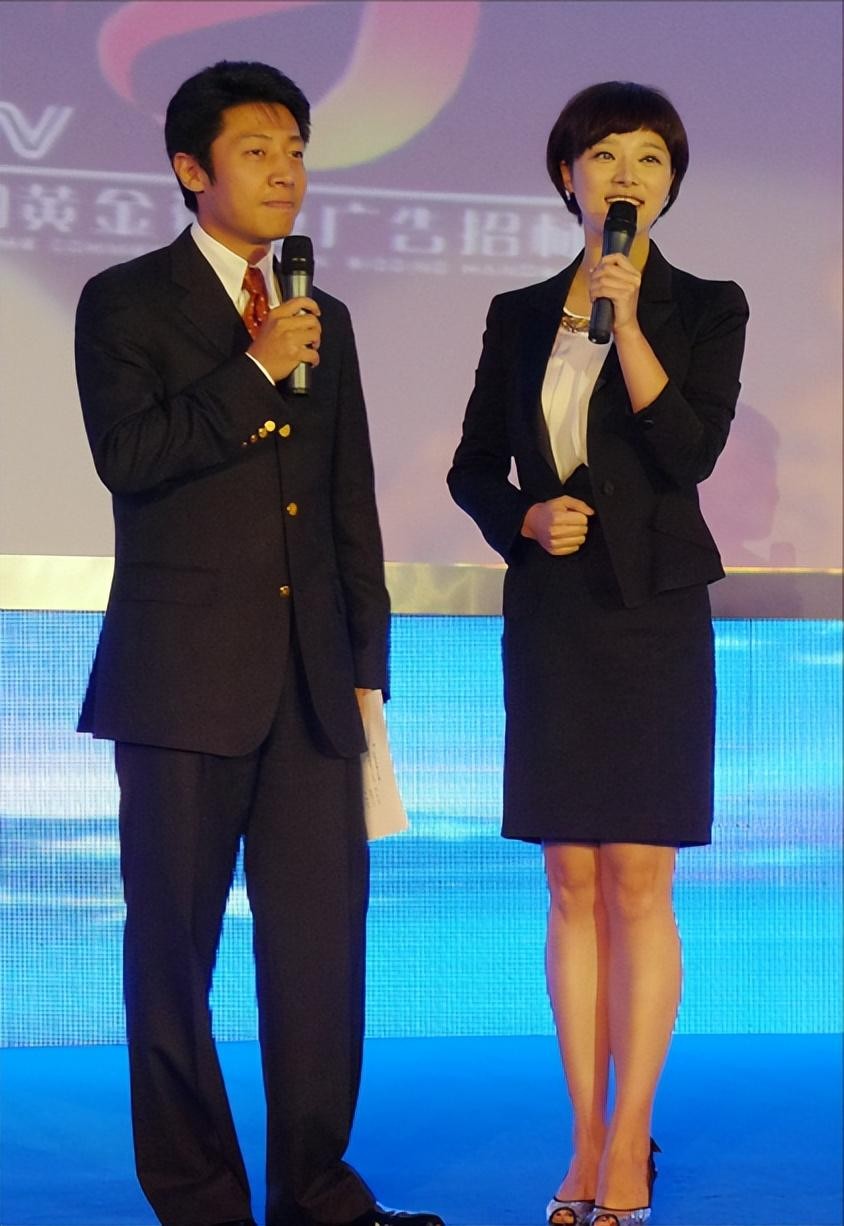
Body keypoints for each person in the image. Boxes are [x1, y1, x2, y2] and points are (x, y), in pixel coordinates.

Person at [75, 60, 443, 1226]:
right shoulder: (125, 301)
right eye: (256, 150)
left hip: (315, 687)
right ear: (192, 169)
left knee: (322, 957)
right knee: (172, 958)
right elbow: (132, 459)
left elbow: (346, 502)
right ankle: (199, 1198)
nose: (286, 170)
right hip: (181, 681)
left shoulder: (321, 315)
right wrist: (253, 370)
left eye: (295, 149)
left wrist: (367, 669)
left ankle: (318, 1193)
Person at [447, 81, 748, 1226]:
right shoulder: (519, 312)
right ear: (566, 174)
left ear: (670, 183)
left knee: (638, 875)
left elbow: (688, 449)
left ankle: (631, 1140)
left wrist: (628, 325)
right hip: (556, 615)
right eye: (606, 155)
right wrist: (520, 518)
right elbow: (473, 466)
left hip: (653, 615)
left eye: (649, 158)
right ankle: (582, 1137)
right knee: (569, 877)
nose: (627, 175)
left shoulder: (704, 305)